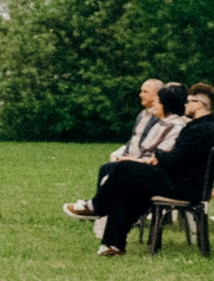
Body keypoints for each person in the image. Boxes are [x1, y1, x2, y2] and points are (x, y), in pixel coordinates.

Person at [86, 85, 214, 256]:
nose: (185, 106)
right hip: (183, 182)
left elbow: (174, 161)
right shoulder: (205, 128)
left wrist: (158, 154)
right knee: (125, 187)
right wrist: (161, 157)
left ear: (199, 105)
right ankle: (113, 244)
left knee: (124, 168)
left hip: (184, 187)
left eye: (189, 102)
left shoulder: (200, 130)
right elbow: (179, 159)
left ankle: (97, 206)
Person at [64, 81, 181, 226]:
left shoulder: (164, 121)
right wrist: (123, 154)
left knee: (119, 169)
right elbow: (133, 140)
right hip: (140, 159)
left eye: (145, 92)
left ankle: (101, 209)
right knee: (107, 168)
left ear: (158, 96)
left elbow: (153, 149)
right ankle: (100, 210)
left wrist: (133, 160)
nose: (140, 94)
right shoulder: (143, 114)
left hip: (152, 167)